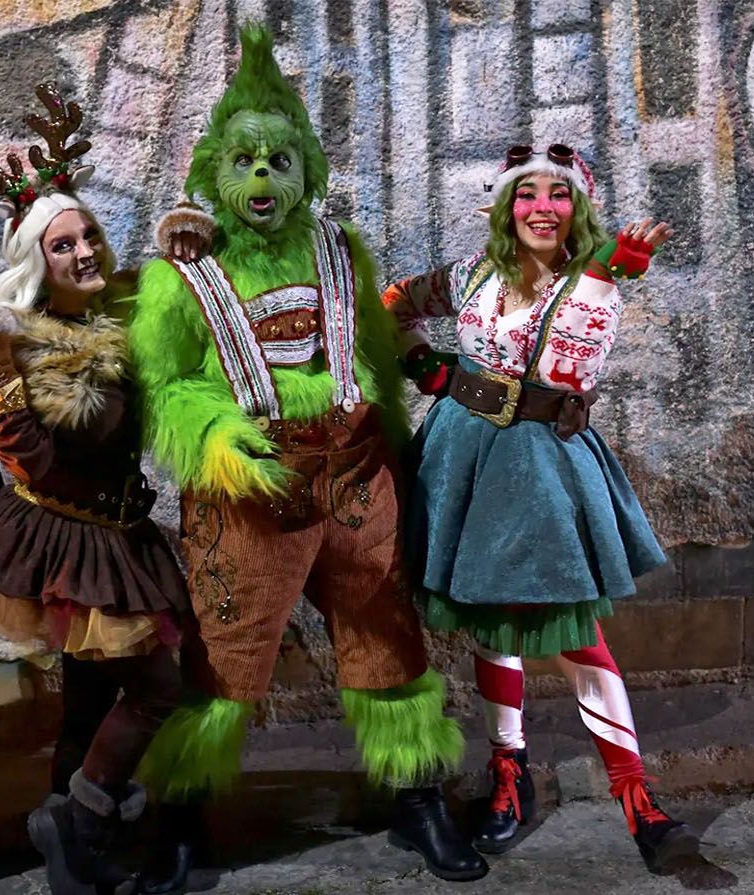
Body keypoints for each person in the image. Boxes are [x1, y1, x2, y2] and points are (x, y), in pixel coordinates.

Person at [126, 24, 486, 886]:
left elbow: (368, 347)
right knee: (222, 657)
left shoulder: (339, 250)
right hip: (250, 485)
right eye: (246, 162)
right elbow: (162, 386)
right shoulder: (180, 274)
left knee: (387, 640)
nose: (262, 179)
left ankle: (416, 800)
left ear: (306, 172)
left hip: (355, 475)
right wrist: (215, 437)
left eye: (278, 162)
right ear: (216, 172)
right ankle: (180, 823)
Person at [381, 143, 699, 871]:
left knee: (576, 633)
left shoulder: (597, 282)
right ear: (505, 206)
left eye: (560, 196)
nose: (543, 209)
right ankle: (508, 770)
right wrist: (426, 367)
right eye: (528, 196)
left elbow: (566, 368)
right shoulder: (469, 274)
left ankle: (636, 796)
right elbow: (394, 302)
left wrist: (600, 273)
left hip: (544, 463)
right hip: (464, 455)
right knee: (492, 618)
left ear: (577, 208)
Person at [0, 84, 211, 895]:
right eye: (64, 246)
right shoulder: (20, 347)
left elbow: (179, 292)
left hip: (123, 526)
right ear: (37, 262)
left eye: (90, 234)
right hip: (67, 532)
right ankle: (80, 815)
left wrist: (191, 246)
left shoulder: (122, 310)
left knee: (93, 694)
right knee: (161, 685)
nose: (87, 251)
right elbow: (25, 455)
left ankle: (74, 846)